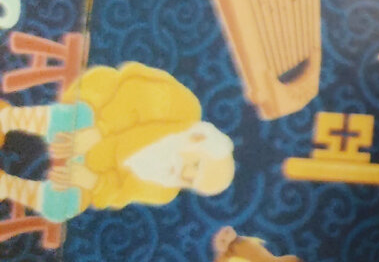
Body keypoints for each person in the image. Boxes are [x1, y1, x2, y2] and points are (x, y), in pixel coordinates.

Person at [0, 62, 235, 222]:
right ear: (199, 139)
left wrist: (90, 180)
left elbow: (120, 192)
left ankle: (6, 185)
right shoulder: (185, 110)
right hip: (102, 111)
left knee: (63, 206)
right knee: (73, 120)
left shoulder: (163, 191)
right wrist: (97, 131)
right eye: (195, 165)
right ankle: (6, 118)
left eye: (190, 181)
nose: (184, 173)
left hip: (94, 166)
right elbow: (133, 96)